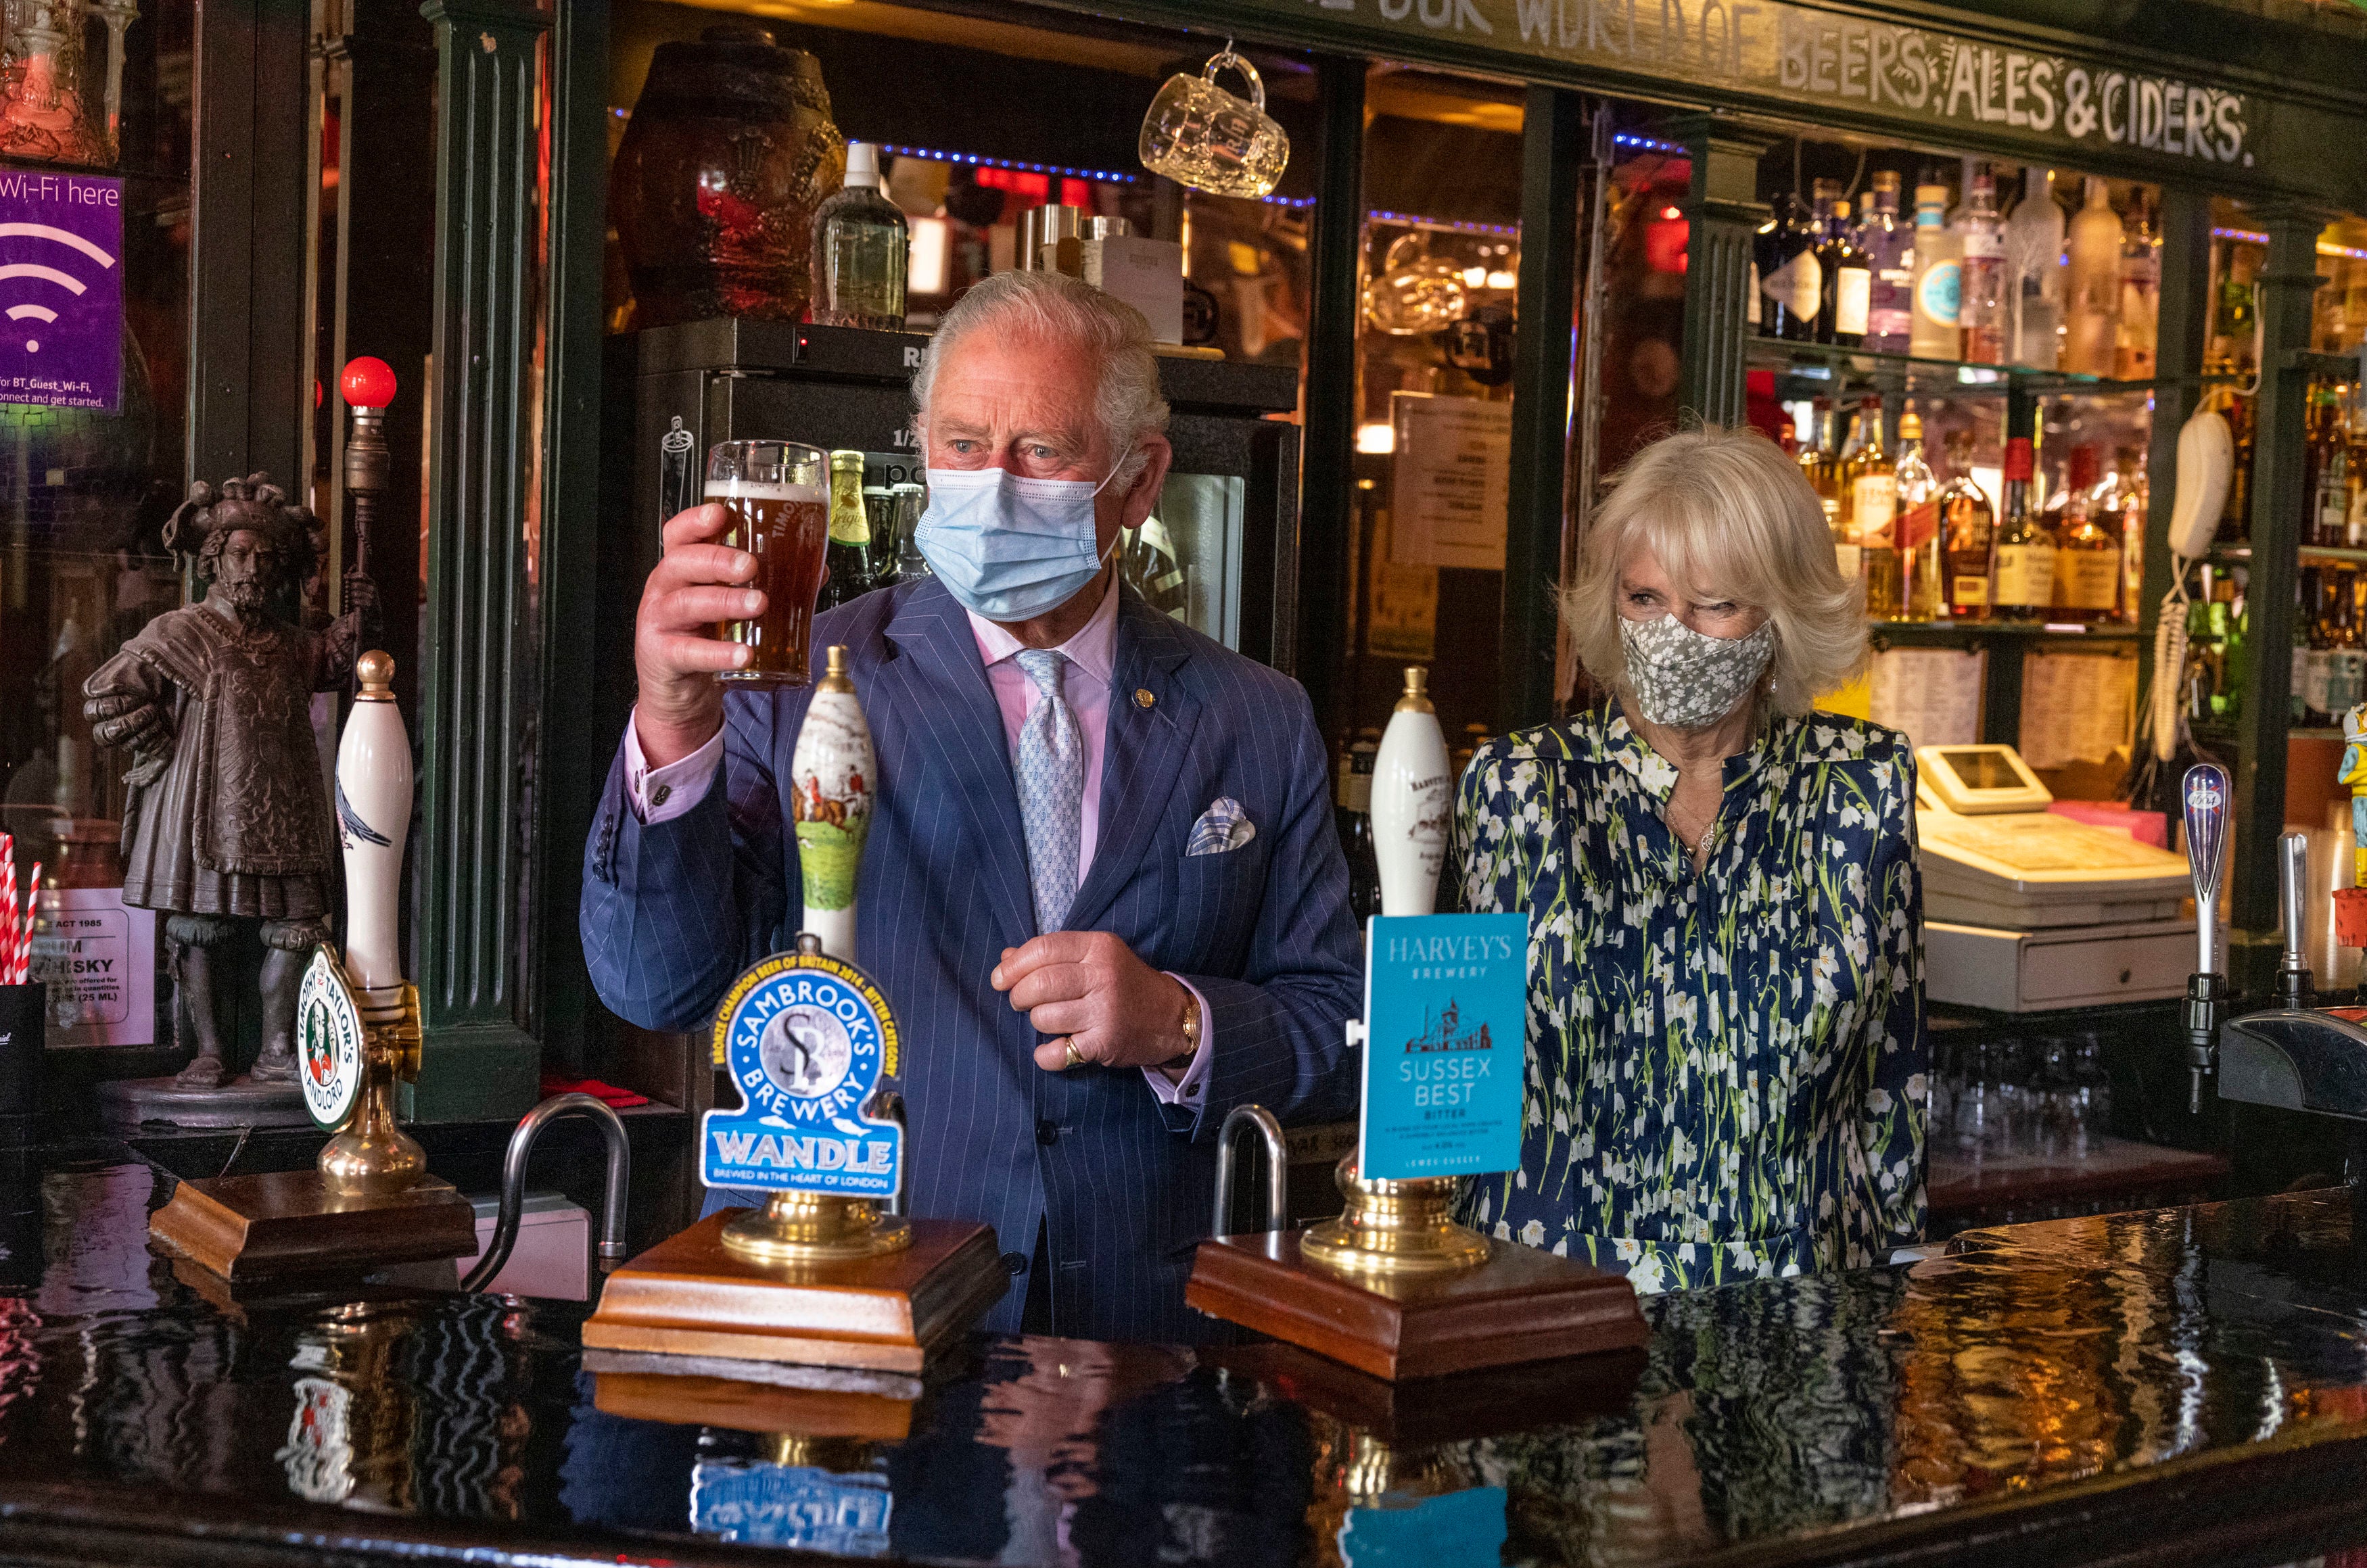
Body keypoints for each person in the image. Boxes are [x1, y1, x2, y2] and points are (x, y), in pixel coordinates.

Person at [582, 270, 1359, 1344]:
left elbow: (1344, 1028)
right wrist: (671, 723)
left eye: (1042, 452)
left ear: (1139, 482)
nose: (992, 484)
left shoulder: (1256, 718)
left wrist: (1178, 1022)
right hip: (855, 1296)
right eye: (961, 444)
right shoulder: (801, 674)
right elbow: (653, 983)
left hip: (1141, 1331)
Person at [1453, 426, 1925, 1293]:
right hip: (1554, 1289)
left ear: (1780, 617)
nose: (1674, 633)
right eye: (1643, 598)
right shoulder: (1518, 786)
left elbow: (1891, 1076)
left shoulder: (1861, 786)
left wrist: (1891, 1281)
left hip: (1798, 1298)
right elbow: (1458, 1067)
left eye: (1714, 604)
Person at [81, 475, 373, 1089]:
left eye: (265, 558)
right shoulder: (180, 632)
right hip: (201, 804)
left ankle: (276, 1049)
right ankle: (208, 1051)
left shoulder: (291, 644)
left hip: (285, 809)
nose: (254, 568)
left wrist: (359, 619)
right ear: (213, 559)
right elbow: (107, 694)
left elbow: (338, 662)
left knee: (296, 932)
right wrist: (161, 748)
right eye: (240, 554)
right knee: (198, 930)